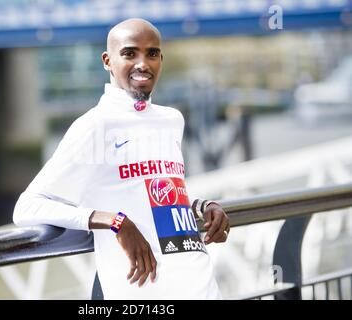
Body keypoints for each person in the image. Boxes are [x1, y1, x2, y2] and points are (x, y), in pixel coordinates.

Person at [13, 18, 230, 300]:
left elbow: (154, 193)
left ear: (161, 59)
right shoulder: (96, 125)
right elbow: (27, 208)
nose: (143, 63)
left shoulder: (171, 120)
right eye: (129, 53)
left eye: (152, 53)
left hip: (201, 286)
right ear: (107, 60)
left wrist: (202, 206)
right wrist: (114, 222)